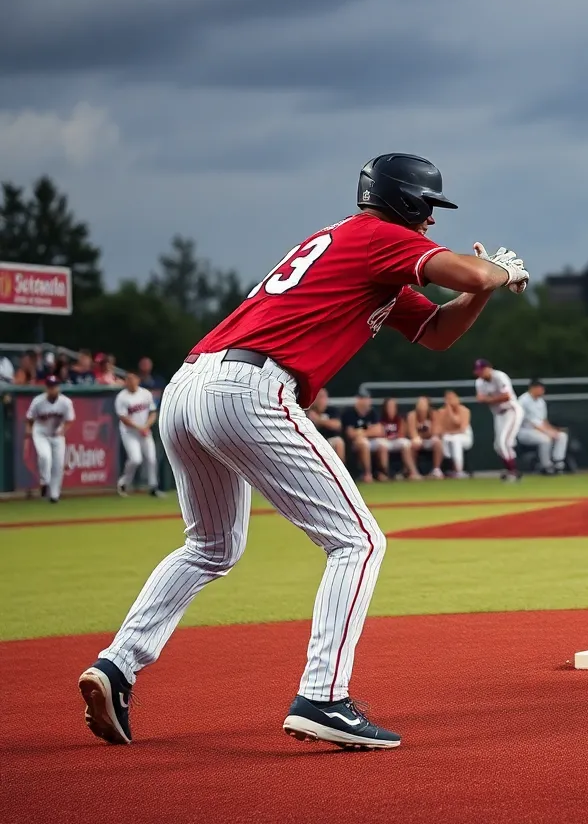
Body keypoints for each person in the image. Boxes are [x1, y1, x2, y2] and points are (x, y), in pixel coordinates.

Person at [78, 152, 529, 751]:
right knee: (359, 541)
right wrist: (496, 272)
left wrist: (487, 290)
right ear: (405, 203)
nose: (430, 223)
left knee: (210, 546)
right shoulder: (378, 236)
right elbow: (470, 275)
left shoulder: (355, 250)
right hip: (249, 389)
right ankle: (323, 698)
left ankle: (116, 667)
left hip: (188, 387)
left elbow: (438, 333)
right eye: (427, 208)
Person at [25, 375, 75, 503]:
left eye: (55, 386)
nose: (53, 389)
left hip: (57, 435)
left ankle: (54, 495)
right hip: (41, 433)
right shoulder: (38, 401)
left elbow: (70, 420)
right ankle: (44, 482)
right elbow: (30, 419)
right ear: (46, 388)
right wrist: (28, 433)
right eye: (50, 387)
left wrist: (62, 430)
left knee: (58, 465)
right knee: (45, 457)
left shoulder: (65, 402)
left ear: (58, 387)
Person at [474, 359, 524, 481]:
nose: (480, 373)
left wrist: (489, 399)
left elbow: (506, 396)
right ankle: (511, 470)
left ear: (489, 368)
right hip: (498, 414)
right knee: (498, 446)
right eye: (478, 371)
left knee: (504, 442)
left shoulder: (500, 376)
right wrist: (493, 398)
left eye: (482, 370)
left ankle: (512, 472)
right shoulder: (479, 382)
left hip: (511, 411)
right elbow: (480, 399)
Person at [115, 370, 162, 498]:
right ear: (125, 382)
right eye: (128, 379)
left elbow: (153, 412)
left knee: (152, 459)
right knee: (136, 459)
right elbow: (123, 418)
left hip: (144, 430)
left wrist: (146, 426)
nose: (131, 381)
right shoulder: (122, 397)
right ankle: (124, 483)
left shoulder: (145, 394)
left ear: (138, 380)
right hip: (129, 432)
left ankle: (153, 487)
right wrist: (140, 427)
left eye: (133, 378)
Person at [517, 379, 570, 474]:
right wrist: (547, 432)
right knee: (545, 439)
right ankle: (546, 465)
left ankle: (558, 463)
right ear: (533, 388)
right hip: (525, 431)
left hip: (540, 429)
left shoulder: (541, 402)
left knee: (562, 436)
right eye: (540, 389)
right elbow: (531, 422)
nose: (542, 391)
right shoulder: (523, 401)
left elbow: (544, 420)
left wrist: (553, 430)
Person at [342, 392, 384, 482]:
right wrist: (369, 431)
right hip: (353, 443)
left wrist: (362, 432)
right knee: (363, 443)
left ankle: (382, 473)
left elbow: (379, 430)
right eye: (364, 399)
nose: (367, 402)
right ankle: (367, 474)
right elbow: (350, 434)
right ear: (358, 400)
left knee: (381, 444)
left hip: (369, 439)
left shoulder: (372, 412)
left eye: (368, 399)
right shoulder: (349, 413)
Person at [437, 390, 473, 478]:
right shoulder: (441, 412)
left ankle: (459, 471)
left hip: (465, 437)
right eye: (448, 399)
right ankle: (448, 468)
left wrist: (450, 411)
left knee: (455, 439)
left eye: (452, 398)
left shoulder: (465, 410)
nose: (450, 401)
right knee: (446, 439)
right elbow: (440, 430)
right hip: (449, 437)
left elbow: (461, 428)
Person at [405, 395, 442, 479]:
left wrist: (428, 431)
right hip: (418, 440)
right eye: (420, 404)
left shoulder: (434, 414)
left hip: (430, 440)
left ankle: (436, 470)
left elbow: (436, 432)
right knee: (410, 445)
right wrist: (418, 437)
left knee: (438, 442)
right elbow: (412, 432)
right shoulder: (412, 415)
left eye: (424, 405)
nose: (421, 407)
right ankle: (413, 472)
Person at [372, 397, 408, 479]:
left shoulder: (399, 418)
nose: (391, 408)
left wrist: (394, 436)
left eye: (393, 406)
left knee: (406, 443)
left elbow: (402, 433)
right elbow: (380, 432)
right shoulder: (380, 418)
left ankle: (408, 471)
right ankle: (386, 472)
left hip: (395, 441)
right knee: (382, 445)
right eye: (389, 406)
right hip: (384, 440)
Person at [306, 388, 345, 463]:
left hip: (328, 440)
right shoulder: (308, 411)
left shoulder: (332, 410)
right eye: (320, 397)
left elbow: (337, 425)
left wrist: (318, 420)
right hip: (313, 441)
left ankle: (341, 470)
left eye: (324, 397)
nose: (323, 400)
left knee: (339, 442)